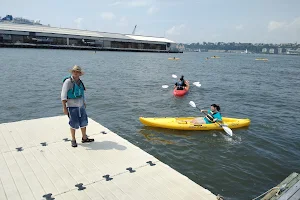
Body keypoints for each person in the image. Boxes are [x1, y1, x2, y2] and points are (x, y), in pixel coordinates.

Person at [61, 65, 94, 147]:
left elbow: (82, 93)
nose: (76, 73)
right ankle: (73, 139)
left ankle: (84, 137)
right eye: (74, 71)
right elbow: (63, 95)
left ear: (80, 73)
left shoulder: (80, 82)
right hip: (72, 106)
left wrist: (84, 102)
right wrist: (64, 107)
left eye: (77, 72)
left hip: (81, 105)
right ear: (72, 72)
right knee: (73, 123)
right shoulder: (68, 82)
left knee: (84, 122)